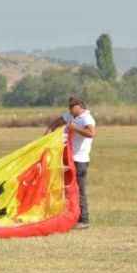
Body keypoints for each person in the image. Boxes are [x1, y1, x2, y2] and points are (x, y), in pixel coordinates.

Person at [45, 96, 96, 229]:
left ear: (79, 106)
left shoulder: (86, 118)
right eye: (69, 107)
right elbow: (57, 122)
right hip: (68, 158)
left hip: (80, 160)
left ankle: (84, 220)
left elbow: (91, 133)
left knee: (79, 189)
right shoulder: (70, 115)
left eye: (72, 107)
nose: (70, 110)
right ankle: (68, 216)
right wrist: (49, 131)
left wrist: (75, 129)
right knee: (66, 189)